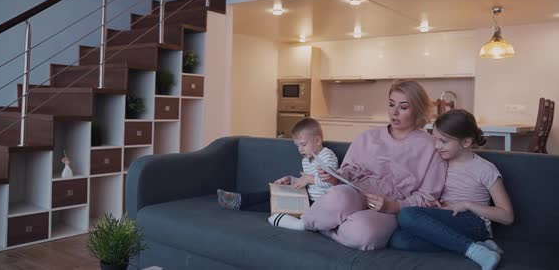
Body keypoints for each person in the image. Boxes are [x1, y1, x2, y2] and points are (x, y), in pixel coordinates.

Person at [288, 80, 446, 251]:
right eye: (391, 104)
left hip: (389, 209)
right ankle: (306, 223)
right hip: (356, 193)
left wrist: (393, 206)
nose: (394, 112)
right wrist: (334, 177)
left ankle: (325, 226)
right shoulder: (368, 137)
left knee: (363, 233)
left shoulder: (432, 147)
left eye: (403, 107)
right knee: (337, 196)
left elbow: (428, 197)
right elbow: (348, 171)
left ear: (417, 109)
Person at [389, 109, 514, 270]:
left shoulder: (485, 169)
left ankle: (474, 251)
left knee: (406, 214)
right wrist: (435, 205)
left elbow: (507, 216)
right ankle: (478, 245)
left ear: (466, 142)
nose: (436, 146)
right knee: (399, 240)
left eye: (443, 141)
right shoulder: (438, 163)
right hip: (449, 218)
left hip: (474, 223)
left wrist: (467, 205)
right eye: (435, 140)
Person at [217, 118, 338, 217]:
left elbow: (332, 182)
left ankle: (239, 205)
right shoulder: (306, 160)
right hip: (306, 197)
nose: (300, 149)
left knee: (277, 203)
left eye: (303, 144)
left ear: (317, 140)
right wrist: (291, 180)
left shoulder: (327, 156)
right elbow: (308, 182)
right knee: (275, 192)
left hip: (318, 205)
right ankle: (241, 199)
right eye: (297, 146)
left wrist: (308, 179)